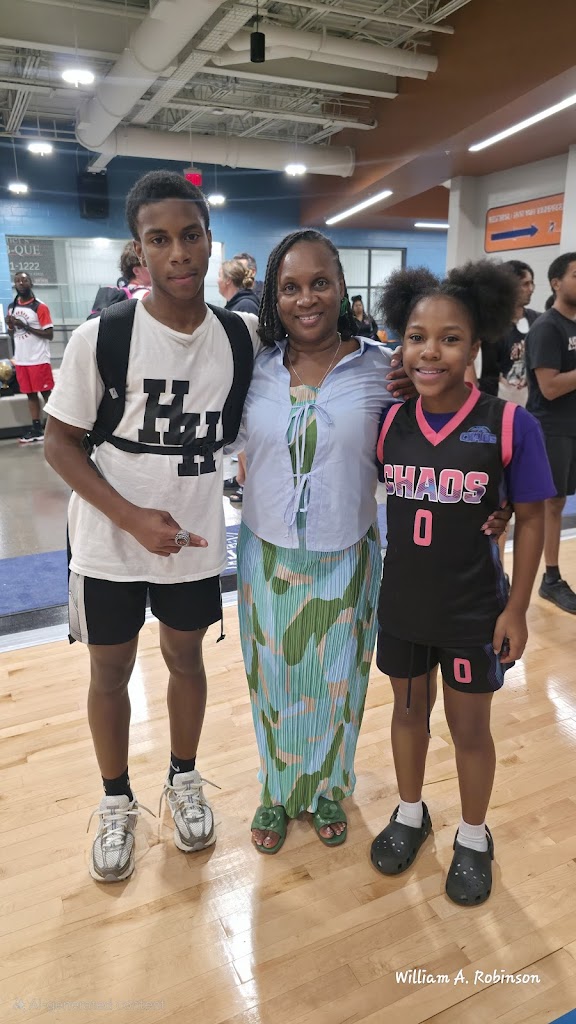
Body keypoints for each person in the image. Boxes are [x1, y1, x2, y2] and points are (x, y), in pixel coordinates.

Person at [232, 230, 510, 855]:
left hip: (347, 554)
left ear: (342, 288)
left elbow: (451, 431)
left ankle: (330, 788)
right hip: (267, 554)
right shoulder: (254, 369)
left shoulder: (386, 369)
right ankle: (277, 790)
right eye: (291, 287)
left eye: (320, 283)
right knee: (273, 681)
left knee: (338, 680)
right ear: (274, 296)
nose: (307, 298)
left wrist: (498, 504)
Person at [44, 170, 260, 883]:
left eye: (190, 235)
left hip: (191, 539)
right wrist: (132, 518)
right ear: (139, 250)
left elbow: (315, 363)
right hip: (109, 538)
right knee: (110, 671)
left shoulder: (241, 335)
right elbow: (59, 445)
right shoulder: (102, 336)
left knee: (186, 660)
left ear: (209, 239)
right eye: (159, 239)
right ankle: (116, 800)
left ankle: (183, 778)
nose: (178, 252)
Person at [371, 262, 555, 906]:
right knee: (407, 714)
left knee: (470, 729)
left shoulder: (510, 424)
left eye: (450, 338)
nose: (430, 351)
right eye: (416, 336)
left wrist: (518, 609)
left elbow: (532, 517)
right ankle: (410, 812)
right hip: (403, 603)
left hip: (474, 608)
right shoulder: (389, 423)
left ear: (476, 344)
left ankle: (474, 835)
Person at [525, 252, 576, 614]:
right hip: (552, 429)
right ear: (557, 283)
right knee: (552, 503)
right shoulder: (547, 327)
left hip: (573, 427)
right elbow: (550, 387)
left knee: (560, 502)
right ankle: (551, 578)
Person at [6, 272, 54, 443]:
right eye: (17, 281)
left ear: (31, 283)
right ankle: (37, 429)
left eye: (24, 280)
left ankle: (56, 427)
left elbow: (49, 334)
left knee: (47, 393)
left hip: (38, 359)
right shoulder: (12, 307)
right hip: (22, 359)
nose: (21, 283)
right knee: (30, 395)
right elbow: (12, 334)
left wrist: (25, 326)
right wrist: (11, 326)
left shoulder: (40, 307)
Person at [498, 260, 541, 406]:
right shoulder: (492, 326)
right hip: (503, 401)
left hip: (534, 401)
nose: (531, 289)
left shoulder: (539, 321)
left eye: (532, 283)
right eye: (525, 284)